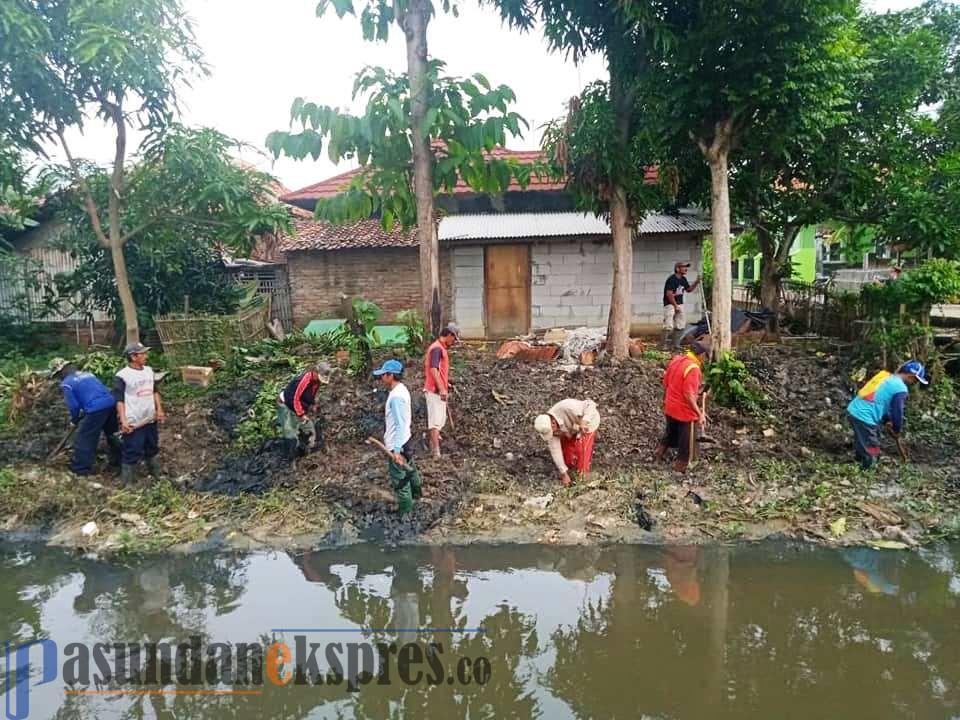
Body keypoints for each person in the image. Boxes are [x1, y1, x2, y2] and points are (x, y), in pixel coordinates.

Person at [846, 360, 927, 469]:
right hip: (864, 416)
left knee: (863, 439)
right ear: (911, 376)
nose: (914, 383)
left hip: (854, 410)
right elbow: (897, 411)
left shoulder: (885, 376)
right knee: (871, 447)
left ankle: (858, 463)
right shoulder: (900, 388)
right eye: (916, 381)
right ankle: (867, 469)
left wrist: (887, 420)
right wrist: (897, 429)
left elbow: (878, 400)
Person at [50, 358, 121, 475]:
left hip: (95, 409)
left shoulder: (67, 383)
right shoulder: (88, 374)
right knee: (112, 434)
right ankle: (120, 460)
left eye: (58, 375)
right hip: (110, 403)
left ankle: (80, 469)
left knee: (84, 439)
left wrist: (74, 420)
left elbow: (74, 406)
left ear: (61, 372)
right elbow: (100, 389)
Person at [374, 359, 422, 516]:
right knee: (411, 470)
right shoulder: (401, 390)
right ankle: (418, 496)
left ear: (391, 375)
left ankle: (405, 514)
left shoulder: (396, 397)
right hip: (406, 441)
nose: (381, 378)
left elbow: (400, 424)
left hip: (399, 444)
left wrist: (396, 450)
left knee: (400, 481)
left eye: (383, 375)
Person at [114, 342, 165, 486]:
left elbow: (154, 391)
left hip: (150, 417)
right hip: (134, 420)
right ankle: (128, 484)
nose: (146, 356)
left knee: (152, 446)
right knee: (132, 450)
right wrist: (123, 421)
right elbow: (119, 401)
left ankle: (157, 476)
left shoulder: (148, 370)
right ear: (133, 356)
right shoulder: (122, 376)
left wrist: (159, 409)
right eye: (142, 354)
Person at [655, 341, 710, 472]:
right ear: (701, 355)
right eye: (706, 357)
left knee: (670, 433)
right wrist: (699, 413)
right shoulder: (693, 369)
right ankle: (680, 467)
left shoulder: (676, 360)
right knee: (686, 442)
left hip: (670, 405)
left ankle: (658, 454)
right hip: (684, 411)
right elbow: (688, 395)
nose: (705, 360)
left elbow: (666, 382)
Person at [534, 398, 601, 487]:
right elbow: (555, 450)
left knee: (582, 449)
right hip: (570, 428)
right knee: (567, 460)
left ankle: (583, 477)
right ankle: (573, 468)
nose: (552, 434)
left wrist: (584, 422)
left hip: (588, 422)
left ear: (553, 423)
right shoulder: (547, 426)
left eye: (552, 432)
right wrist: (564, 474)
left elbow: (590, 404)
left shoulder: (567, 407)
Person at [277, 362, 331, 459]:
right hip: (286, 403)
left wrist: (313, 404)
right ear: (315, 372)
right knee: (290, 433)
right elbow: (294, 398)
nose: (321, 381)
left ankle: (307, 450)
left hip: (297, 405)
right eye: (320, 377)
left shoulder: (316, 382)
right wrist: (301, 415)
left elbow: (311, 394)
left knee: (308, 427)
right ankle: (290, 457)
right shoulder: (303, 380)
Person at [423, 323, 460, 458]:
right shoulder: (437, 349)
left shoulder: (439, 348)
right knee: (435, 422)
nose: (454, 342)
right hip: (434, 391)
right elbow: (433, 369)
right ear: (449, 335)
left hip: (437, 389)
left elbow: (439, 370)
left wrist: (445, 384)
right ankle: (436, 453)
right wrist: (442, 388)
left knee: (439, 420)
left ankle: (434, 448)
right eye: (454, 339)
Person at [663, 261, 701, 347]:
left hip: (679, 304)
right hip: (669, 303)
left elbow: (688, 290)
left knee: (680, 324)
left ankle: (676, 344)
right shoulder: (671, 279)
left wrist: (696, 282)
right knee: (668, 324)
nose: (686, 269)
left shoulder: (683, 279)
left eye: (686, 267)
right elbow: (669, 294)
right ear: (677, 269)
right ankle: (663, 345)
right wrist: (675, 305)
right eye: (684, 267)